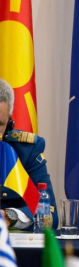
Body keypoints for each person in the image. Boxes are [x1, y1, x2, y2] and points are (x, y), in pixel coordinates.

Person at [0, 77, 57, 229]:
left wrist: (9, 217)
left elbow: (48, 213)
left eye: (0, 124)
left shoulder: (25, 150)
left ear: (10, 123)